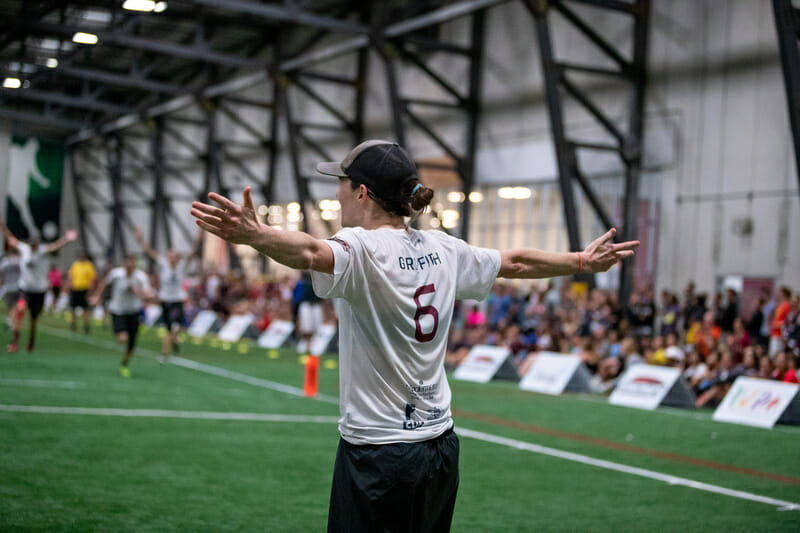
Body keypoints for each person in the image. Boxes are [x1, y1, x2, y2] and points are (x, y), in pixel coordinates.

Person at [189, 139, 639, 532]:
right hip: (440, 449)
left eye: (342, 183)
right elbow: (517, 263)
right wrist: (580, 260)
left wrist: (255, 234)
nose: (337, 191)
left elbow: (309, 250)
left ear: (362, 193)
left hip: (378, 454)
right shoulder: (444, 248)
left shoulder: (361, 247)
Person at [0, 221, 77, 352]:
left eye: (35, 242)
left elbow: (55, 246)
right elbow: (10, 238)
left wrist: (66, 239)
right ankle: (15, 343)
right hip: (25, 289)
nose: (33, 244)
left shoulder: (43, 251)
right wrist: (2, 225)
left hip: (39, 290)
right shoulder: (24, 249)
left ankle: (31, 342)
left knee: (33, 320)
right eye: (31, 241)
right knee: (20, 310)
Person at [133, 227, 202, 362]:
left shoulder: (182, 266)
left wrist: (198, 238)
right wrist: (140, 238)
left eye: (173, 256)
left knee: (175, 327)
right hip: (165, 301)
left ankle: (165, 353)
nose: (171, 258)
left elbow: (193, 253)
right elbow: (149, 251)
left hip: (177, 300)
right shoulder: (163, 264)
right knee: (169, 328)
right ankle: (172, 343)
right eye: (170, 255)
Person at [89, 255, 151, 377]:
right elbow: (104, 283)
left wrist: (138, 292)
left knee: (131, 344)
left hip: (134, 311)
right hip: (118, 310)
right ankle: (118, 331)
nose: (129, 267)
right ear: (123, 264)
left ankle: (124, 364)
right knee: (122, 338)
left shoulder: (141, 277)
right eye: (127, 264)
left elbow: (147, 294)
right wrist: (97, 296)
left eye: (131, 264)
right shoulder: (116, 274)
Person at [68, 252, 97, 333]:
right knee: (73, 308)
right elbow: (71, 276)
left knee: (85, 309)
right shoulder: (75, 265)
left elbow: (92, 279)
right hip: (75, 289)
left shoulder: (89, 266)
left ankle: (86, 326)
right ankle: (73, 325)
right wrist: (70, 286)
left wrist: (90, 290)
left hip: (84, 290)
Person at [0, 247, 21, 331]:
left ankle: (10, 319)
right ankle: (10, 319)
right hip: (17, 286)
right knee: (15, 305)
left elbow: (1, 273)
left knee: (10, 305)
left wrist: (2, 282)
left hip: (7, 286)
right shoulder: (19, 261)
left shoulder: (5, 262)